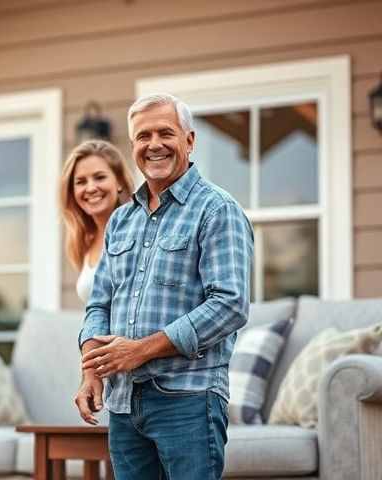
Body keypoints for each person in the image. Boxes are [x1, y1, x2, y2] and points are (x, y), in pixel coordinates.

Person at [73, 93, 254, 480]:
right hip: (123, 404)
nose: (153, 144)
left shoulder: (217, 209)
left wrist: (140, 350)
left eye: (165, 133)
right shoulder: (122, 220)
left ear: (189, 140)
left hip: (188, 398)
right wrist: (92, 371)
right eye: (142, 136)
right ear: (133, 146)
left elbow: (230, 304)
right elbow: (98, 304)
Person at [59, 139, 134, 303]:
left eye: (99, 177)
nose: (91, 188)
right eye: (81, 182)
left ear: (119, 182)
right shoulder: (84, 241)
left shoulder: (136, 231)